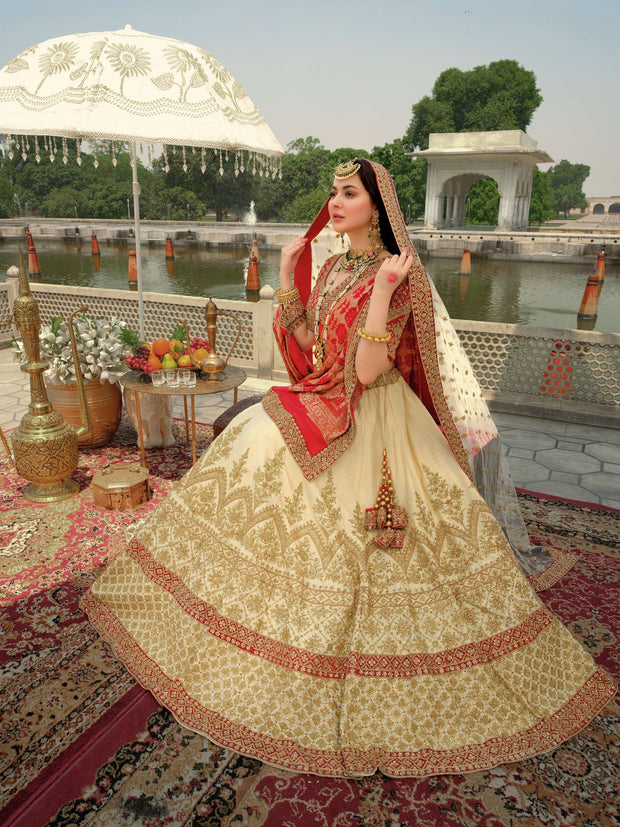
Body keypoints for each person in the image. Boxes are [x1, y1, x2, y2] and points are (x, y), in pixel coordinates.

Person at [82, 159, 615, 778]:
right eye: (332, 193)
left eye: (348, 193)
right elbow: (309, 350)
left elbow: (364, 372)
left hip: (377, 414)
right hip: (322, 396)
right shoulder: (333, 265)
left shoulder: (398, 276)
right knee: (250, 453)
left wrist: (385, 290)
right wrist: (287, 278)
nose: (334, 202)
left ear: (377, 207)